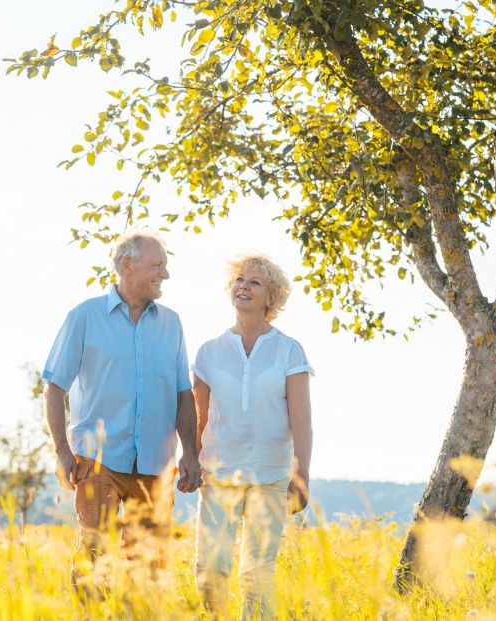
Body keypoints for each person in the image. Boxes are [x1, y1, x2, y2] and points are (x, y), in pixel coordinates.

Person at [42, 230, 201, 586]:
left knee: (148, 568)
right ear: (127, 265)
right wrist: (63, 451)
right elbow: (54, 386)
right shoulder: (84, 316)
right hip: (97, 460)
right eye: (157, 265)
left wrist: (190, 452)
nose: (165, 274)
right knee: (95, 558)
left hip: (156, 465)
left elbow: (182, 394)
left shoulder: (172, 323)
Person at [192, 254, 314, 620]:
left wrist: (301, 476)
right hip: (219, 473)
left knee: (257, 572)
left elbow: (302, 420)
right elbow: (198, 417)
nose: (243, 286)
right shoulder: (209, 352)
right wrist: (191, 461)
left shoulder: (288, 349)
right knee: (211, 567)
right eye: (240, 280)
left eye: (254, 282)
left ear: (270, 296)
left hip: (271, 476)